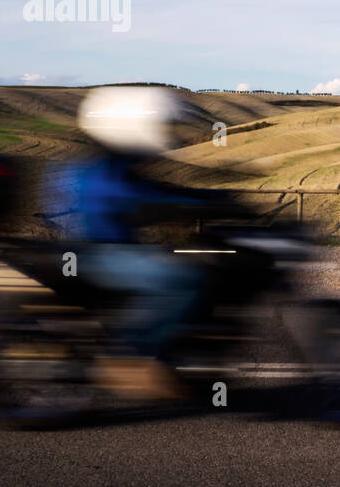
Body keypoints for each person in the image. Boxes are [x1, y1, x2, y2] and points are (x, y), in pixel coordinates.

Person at [60, 86, 237, 397]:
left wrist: (212, 197)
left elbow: (155, 192)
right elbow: (147, 198)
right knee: (184, 279)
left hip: (101, 252)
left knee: (191, 261)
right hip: (101, 256)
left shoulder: (102, 166)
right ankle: (126, 355)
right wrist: (208, 203)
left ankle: (176, 349)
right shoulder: (104, 174)